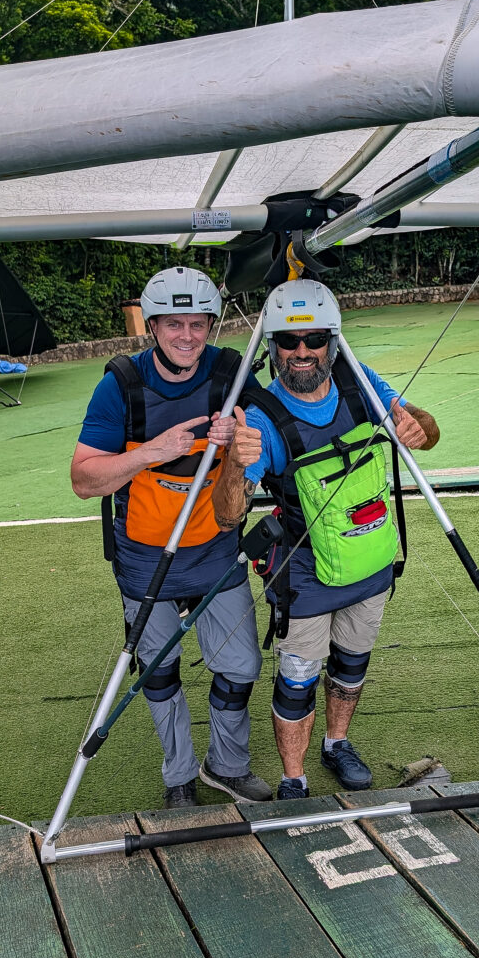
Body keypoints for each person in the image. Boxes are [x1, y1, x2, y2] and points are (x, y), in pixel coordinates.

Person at [212, 279, 439, 800]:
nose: (302, 352)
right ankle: (295, 778)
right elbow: (228, 516)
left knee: (352, 665)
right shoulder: (263, 416)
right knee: (297, 679)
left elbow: (423, 424)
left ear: (332, 343)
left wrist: (420, 426)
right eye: (289, 342)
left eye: (314, 339)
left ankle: (336, 744)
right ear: (271, 349)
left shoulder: (360, 383)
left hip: (371, 560)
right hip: (305, 576)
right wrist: (235, 459)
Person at [71, 266, 272, 809]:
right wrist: (150, 453)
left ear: (212, 324)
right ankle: (178, 774)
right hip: (144, 557)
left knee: (241, 666)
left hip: (215, 549)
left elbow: (273, 433)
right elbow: (83, 481)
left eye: (198, 324)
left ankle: (226, 767)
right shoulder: (122, 384)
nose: (187, 336)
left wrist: (245, 439)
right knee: (158, 671)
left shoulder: (231, 372)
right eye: (173, 324)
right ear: (152, 326)